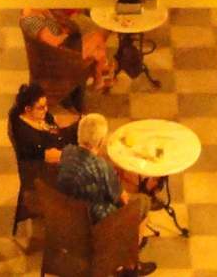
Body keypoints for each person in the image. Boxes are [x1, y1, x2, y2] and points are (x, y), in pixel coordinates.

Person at [55, 114, 158, 276]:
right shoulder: (101, 167)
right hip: (98, 222)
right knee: (143, 201)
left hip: (71, 220)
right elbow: (123, 200)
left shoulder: (67, 153)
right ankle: (129, 263)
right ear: (101, 141)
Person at [22, 5, 116, 92]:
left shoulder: (39, 13)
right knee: (97, 40)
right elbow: (55, 42)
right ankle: (100, 73)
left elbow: (57, 26)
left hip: (64, 47)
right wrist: (67, 33)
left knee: (97, 40)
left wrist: (65, 27)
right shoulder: (32, 20)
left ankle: (99, 75)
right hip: (62, 55)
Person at [7, 82, 75, 167]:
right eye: (41, 107)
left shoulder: (43, 116)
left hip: (63, 146)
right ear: (28, 109)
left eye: (46, 105)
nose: (46, 109)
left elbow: (55, 128)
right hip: (49, 165)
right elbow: (45, 156)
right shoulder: (24, 133)